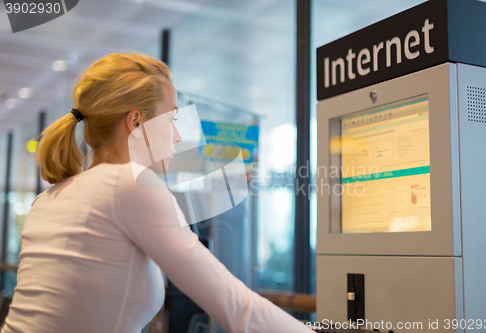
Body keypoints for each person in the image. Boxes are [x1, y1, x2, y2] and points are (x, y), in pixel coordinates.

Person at [0, 53, 313, 333]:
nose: (177, 136)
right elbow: (235, 307)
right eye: (172, 119)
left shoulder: (49, 198)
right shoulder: (128, 184)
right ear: (137, 121)